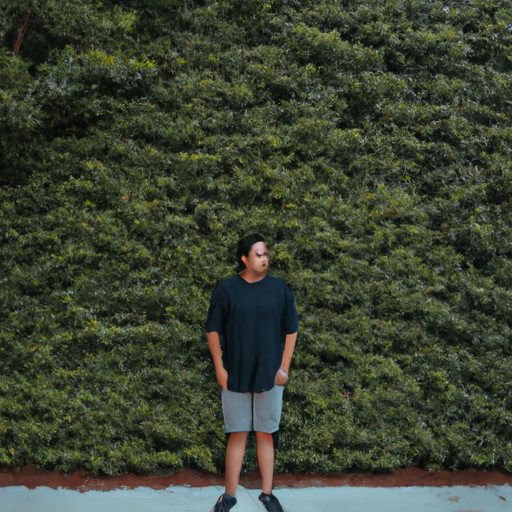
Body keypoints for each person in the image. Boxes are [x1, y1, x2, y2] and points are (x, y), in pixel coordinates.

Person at [206, 233, 299, 512]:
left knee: (265, 433)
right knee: (238, 433)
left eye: (266, 253)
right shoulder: (227, 289)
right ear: (244, 259)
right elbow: (213, 330)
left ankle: (268, 495)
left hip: (270, 376)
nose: (265, 258)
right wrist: (220, 369)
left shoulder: (280, 288)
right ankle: (228, 498)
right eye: (258, 254)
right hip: (234, 376)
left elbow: (291, 328)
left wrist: (284, 368)